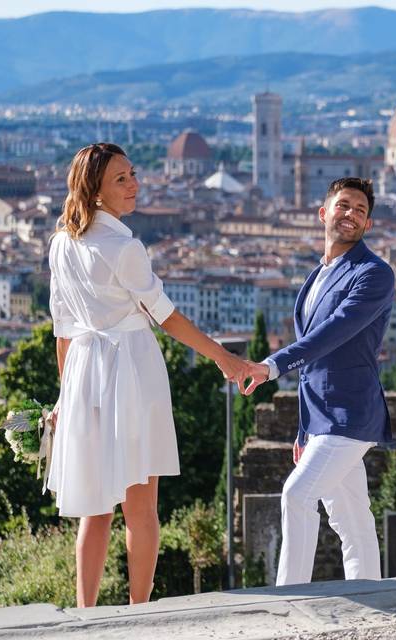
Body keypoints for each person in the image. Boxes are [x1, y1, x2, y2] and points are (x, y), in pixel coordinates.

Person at [47, 143, 251, 607]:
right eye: (121, 179)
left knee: (95, 509)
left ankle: (87, 615)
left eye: (133, 173)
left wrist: (65, 396)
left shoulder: (61, 243)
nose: (134, 183)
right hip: (130, 372)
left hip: (84, 372)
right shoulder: (124, 247)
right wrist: (222, 357)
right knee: (141, 508)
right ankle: (139, 612)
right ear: (95, 190)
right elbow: (167, 316)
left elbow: (63, 330)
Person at [244, 177, 394, 586]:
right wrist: (304, 428)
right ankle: (373, 599)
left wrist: (271, 365)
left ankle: (291, 596)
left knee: (297, 495)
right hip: (322, 418)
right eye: (343, 205)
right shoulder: (317, 276)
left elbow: (333, 333)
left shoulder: (374, 274)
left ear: (368, 225)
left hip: (350, 413)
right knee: (351, 519)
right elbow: (315, 364)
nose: (351, 215)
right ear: (324, 212)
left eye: (360, 211)